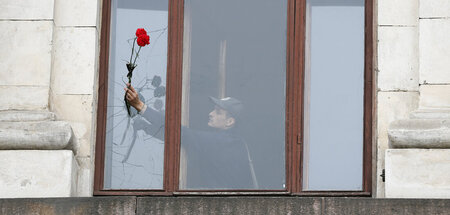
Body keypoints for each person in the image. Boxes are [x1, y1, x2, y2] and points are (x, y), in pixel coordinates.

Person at [125, 84, 257, 189]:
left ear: (230, 122)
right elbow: (178, 137)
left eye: (218, 112)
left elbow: (181, 134)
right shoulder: (234, 142)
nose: (211, 113)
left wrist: (140, 106)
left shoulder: (225, 142)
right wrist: (146, 127)